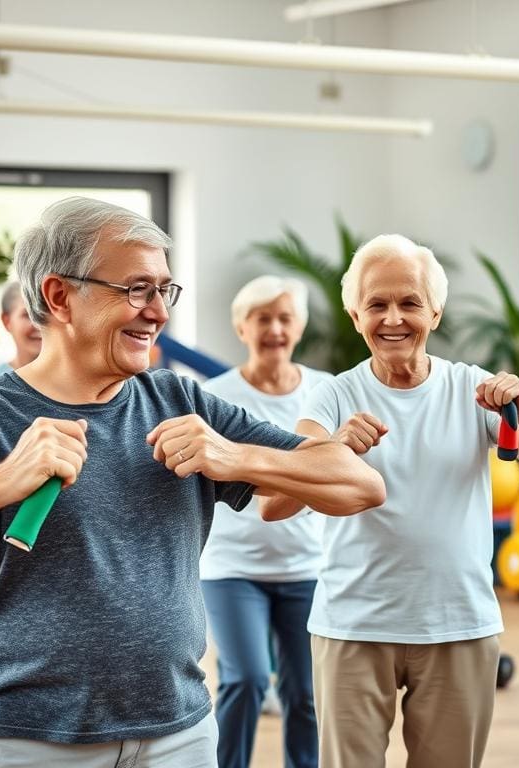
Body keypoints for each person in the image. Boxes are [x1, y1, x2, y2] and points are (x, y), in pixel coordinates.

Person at [0, 197, 385, 768]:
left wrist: (235, 457)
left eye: (164, 291)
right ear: (58, 296)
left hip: (180, 733)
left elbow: (359, 484)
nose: (158, 312)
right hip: (32, 739)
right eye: (136, 289)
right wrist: (6, 480)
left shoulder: (179, 402)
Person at [266, 234, 519, 768]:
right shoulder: (333, 397)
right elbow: (275, 506)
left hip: (458, 624)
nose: (393, 318)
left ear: (434, 313)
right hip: (353, 625)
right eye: (377, 304)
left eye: (409, 302)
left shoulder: (473, 388)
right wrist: (333, 448)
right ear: (355, 316)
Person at [199, 275, 329, 768]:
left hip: (306, 569)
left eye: (284, 318)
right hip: (232, 569)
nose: (274, 329)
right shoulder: (215, 396)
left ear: (300, 327)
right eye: (262, 319)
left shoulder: (325, 390)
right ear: (241, 327)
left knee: (307, 693)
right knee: (246, 678)